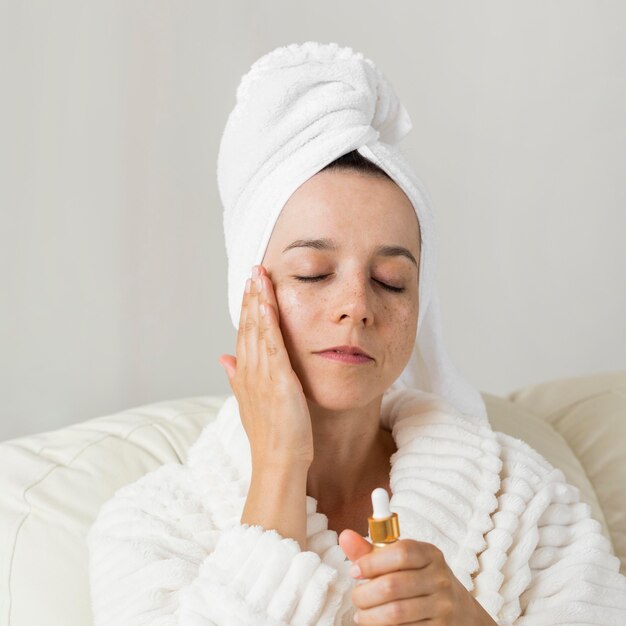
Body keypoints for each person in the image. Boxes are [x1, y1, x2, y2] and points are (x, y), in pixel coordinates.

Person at [86, 42, 626, 625]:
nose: (357, 306)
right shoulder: (151, 527)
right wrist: (278, 467)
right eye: (314, 273)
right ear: (248, 293)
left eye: (392, 281)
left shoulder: (518, 500)